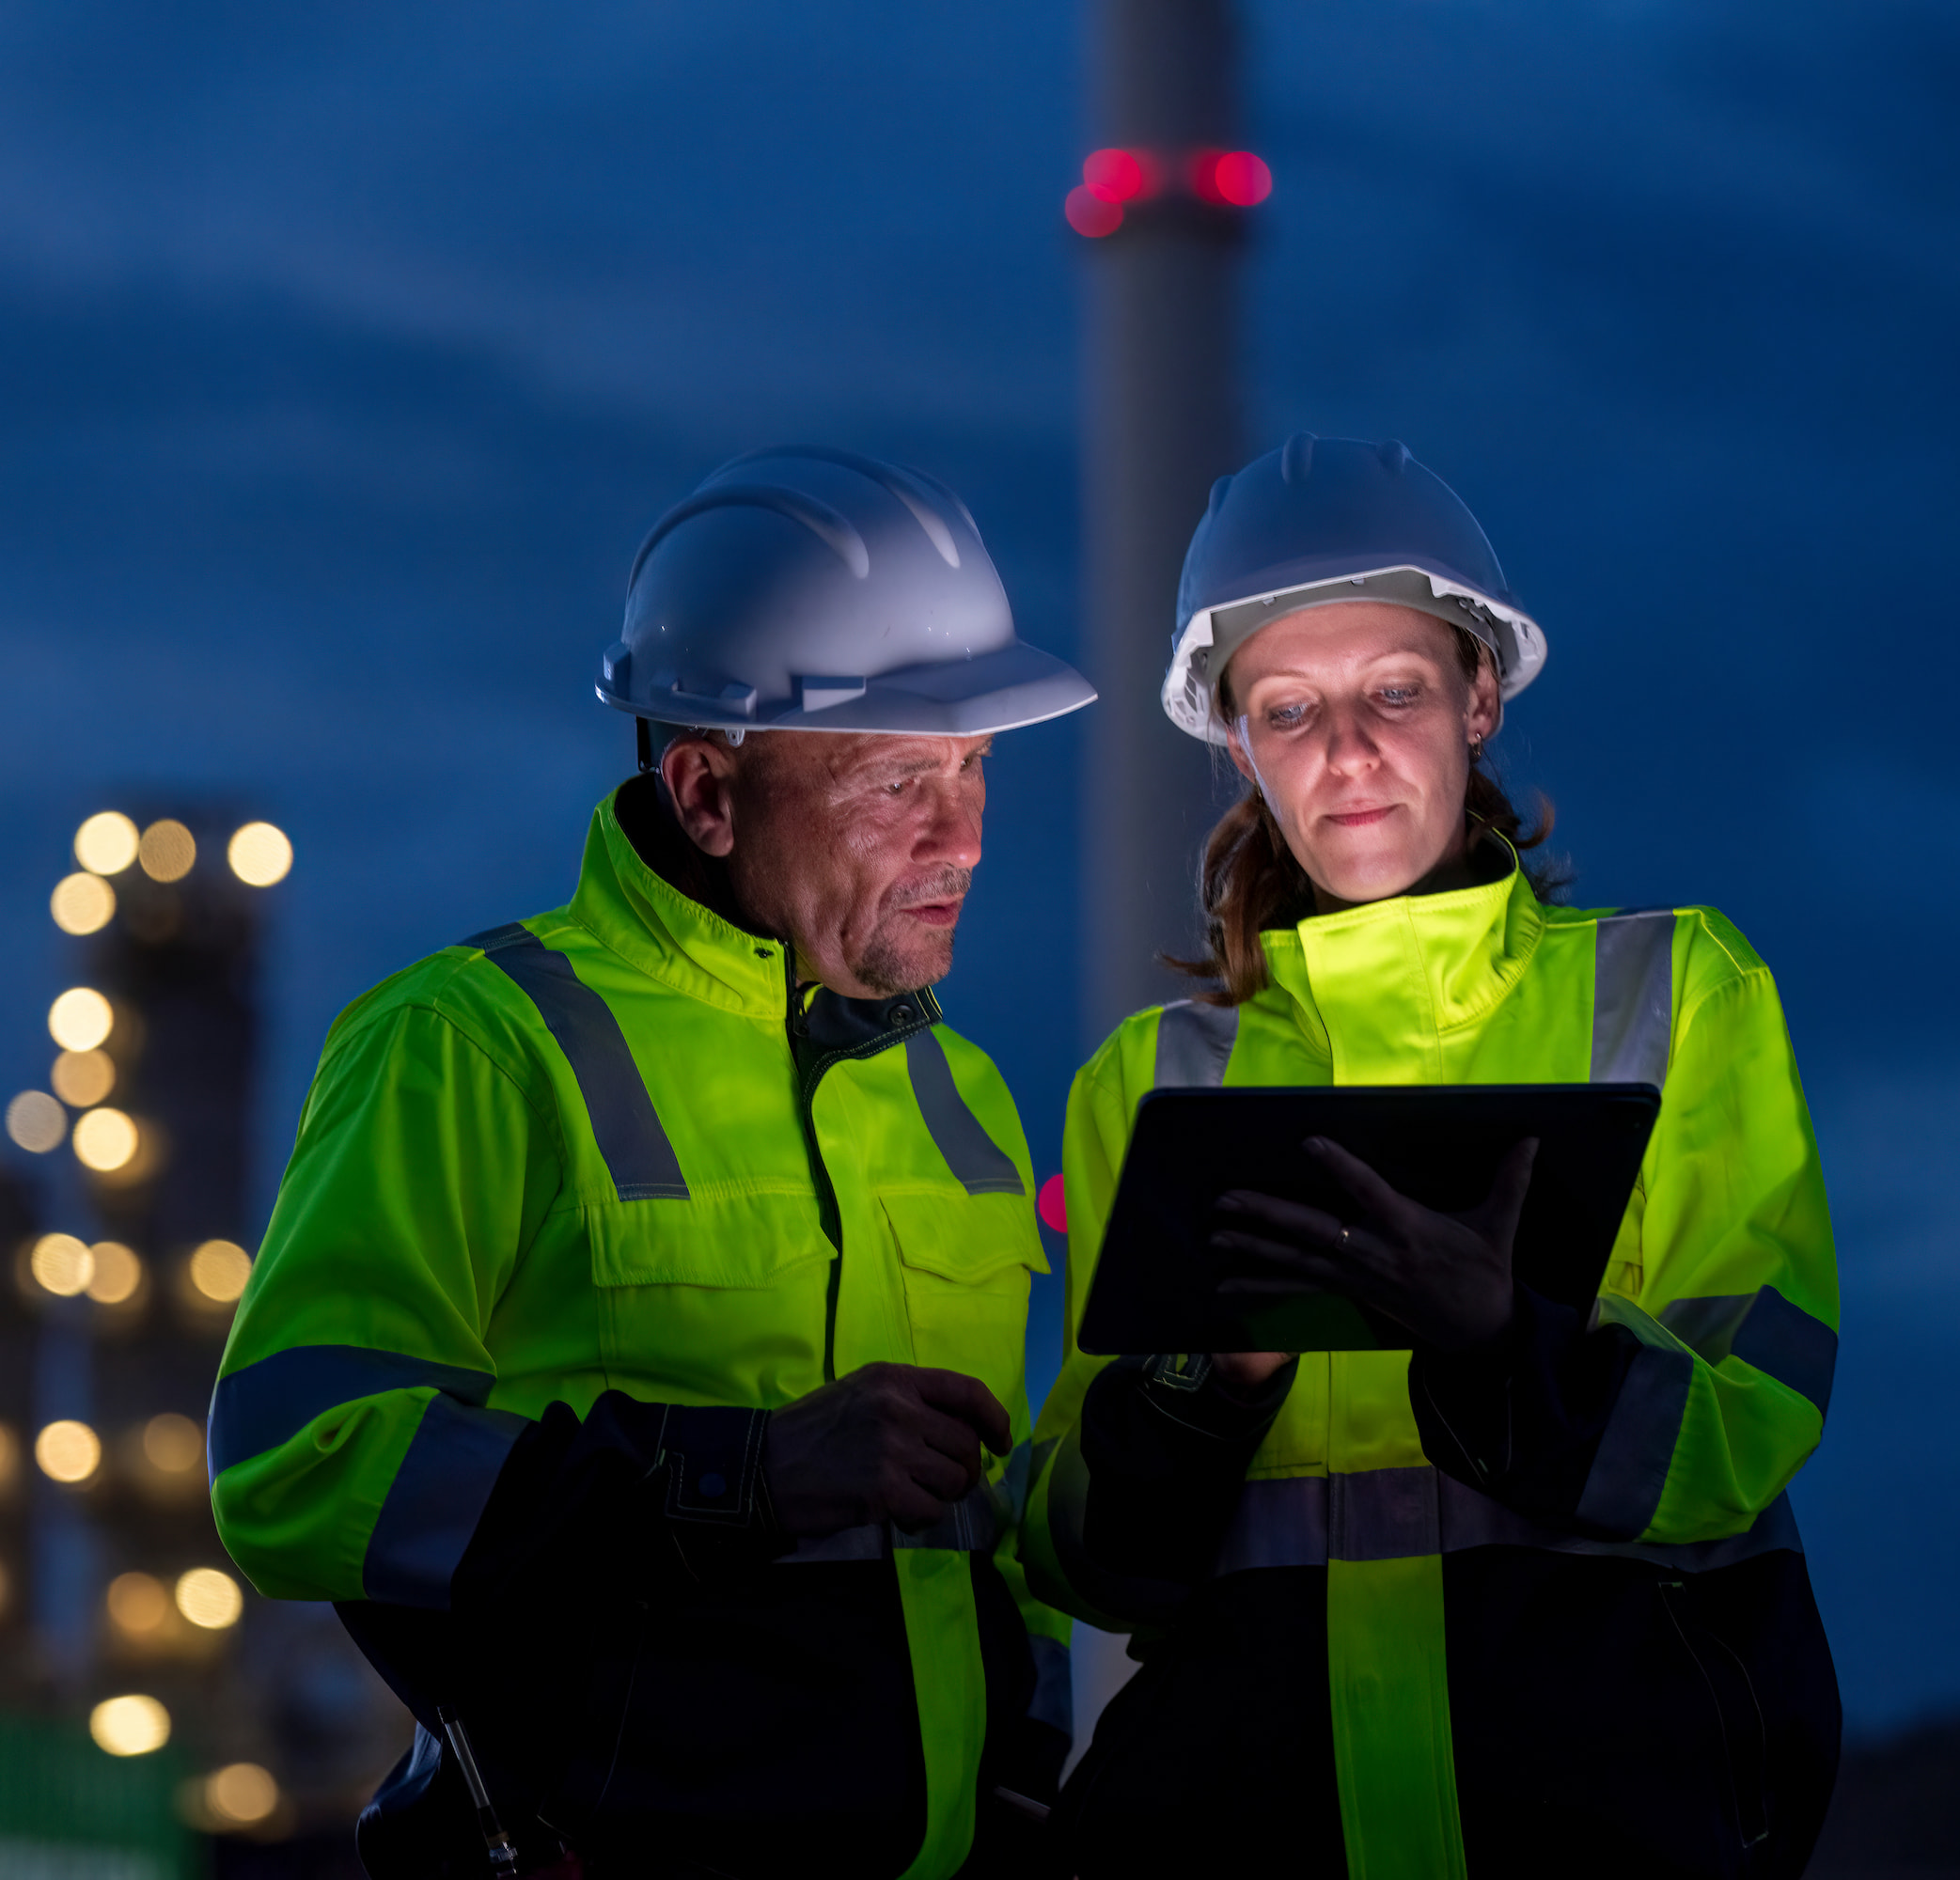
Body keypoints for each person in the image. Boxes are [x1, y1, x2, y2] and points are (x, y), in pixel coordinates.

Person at [209, 447, 1095, 1878]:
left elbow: (982, 1547)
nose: (964, 840)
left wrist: (1027, 1797)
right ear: (705, 795)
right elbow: (292, 1460)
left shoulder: (960, 1090)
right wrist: (729, 1474)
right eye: (894, 786)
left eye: (975, 769)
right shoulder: (475, 1044)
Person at [1019, 434, 1842, 1878]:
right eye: (1290, 709)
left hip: (1604, 1832)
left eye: (1394, 692)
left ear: (1479, 696)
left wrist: (1501, 1351)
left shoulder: (1676, 994)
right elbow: (1081, 1553)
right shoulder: (1151, 1082)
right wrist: (1214, 1384)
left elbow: (1751, 1418)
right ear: (1236, 741)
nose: (1344, 751)